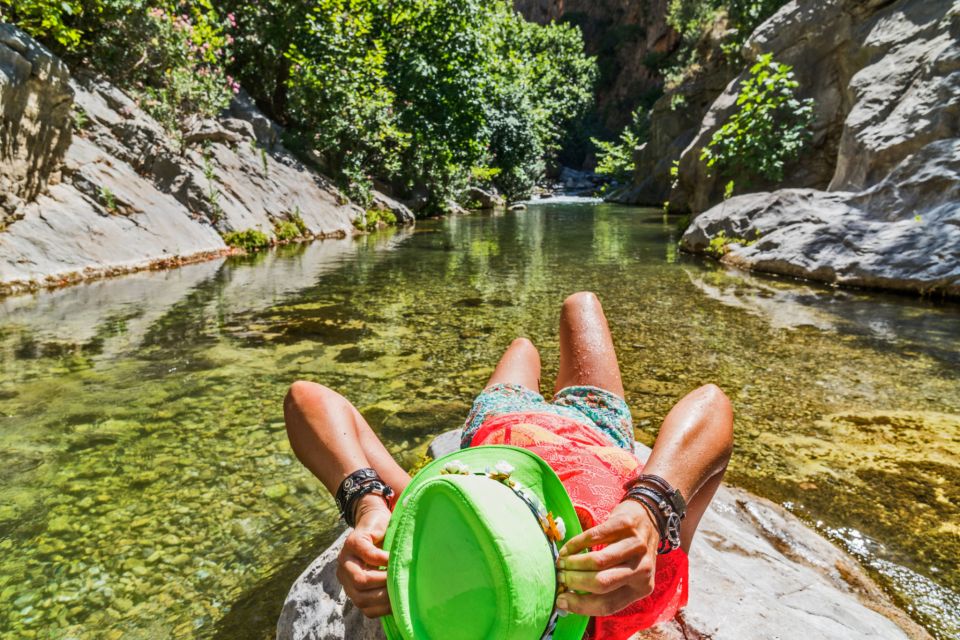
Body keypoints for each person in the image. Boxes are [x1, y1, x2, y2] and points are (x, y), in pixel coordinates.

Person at [284, 292, 734, 638]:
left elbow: (306, 399)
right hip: (598, 424)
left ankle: (521, 331)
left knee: (522, 349)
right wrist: (652, 509)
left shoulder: (435, 527)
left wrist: (367, 505)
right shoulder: (623, 586)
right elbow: (712, 405)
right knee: (581, 305)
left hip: (500, 420)